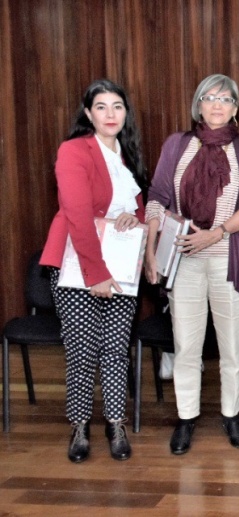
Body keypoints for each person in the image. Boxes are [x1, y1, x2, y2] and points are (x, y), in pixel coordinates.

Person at [144, 74, 239, 454]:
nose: (217, 105)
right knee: (187, 345)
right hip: (183, 261)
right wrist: (150, 251)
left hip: (230, 257)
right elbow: (157, 196)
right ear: (198, 105)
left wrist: (216, 234)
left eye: (226, 99)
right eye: (210, 98)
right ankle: (186, 416)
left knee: (232, 347)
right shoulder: (177, 145)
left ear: (235, 108)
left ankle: (232, 415)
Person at [40, 79, 147, 463]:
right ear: (88, 113)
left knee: (116, 351)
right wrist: (96, 273)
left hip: (122, 268)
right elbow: (78, 214)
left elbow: (133, 209)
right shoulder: (73, 151)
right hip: (78, 266)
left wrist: (131, 221)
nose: (110, 114)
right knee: (82, 352)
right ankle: (80, 426)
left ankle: (115, 424)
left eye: (117, 106)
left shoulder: (126, 154)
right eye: (101, 107)